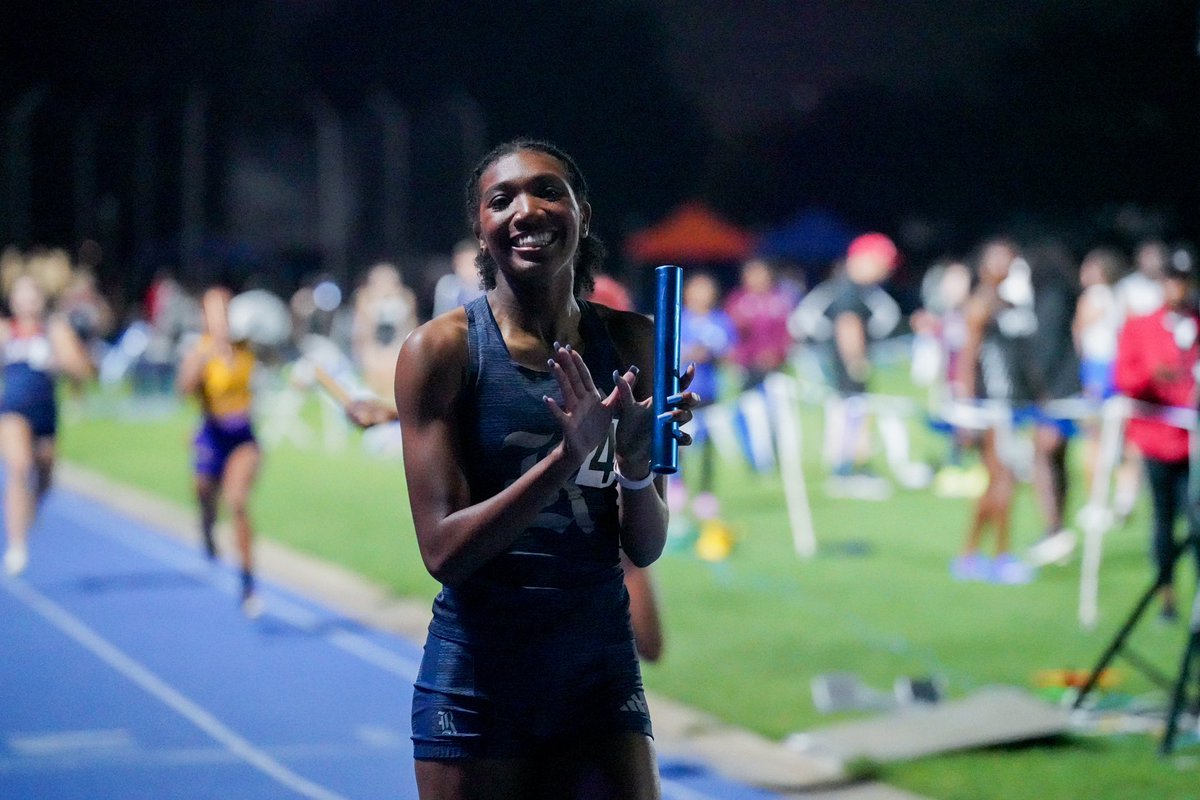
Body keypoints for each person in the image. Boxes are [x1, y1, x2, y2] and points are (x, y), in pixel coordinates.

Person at [394, 138, 698, 799]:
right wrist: (568, 458)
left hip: (598, 675)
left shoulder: (635, 343)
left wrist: (638, 464)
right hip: (478, 681)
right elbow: (443, 552)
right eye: (501, 199)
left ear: (582, 212)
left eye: (547, 191)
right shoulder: (441, 352)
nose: (526, 210)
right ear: (480, 227)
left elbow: (642, 545)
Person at [1114, 246, 1200, 622]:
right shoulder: (1141, 325)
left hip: (1193, 443)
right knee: (1164, 522)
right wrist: (1156, 376)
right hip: (1158, 441)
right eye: (1172, 280)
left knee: (1195, 522)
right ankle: (1166, 596)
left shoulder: (1195, 324)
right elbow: (1125, 380)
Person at [176, 287, 264, 617]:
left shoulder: (246, 347)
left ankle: (248, 582)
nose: (220, 321)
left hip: (242, 436)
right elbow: (183, 390)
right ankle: (207, 530)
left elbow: (273, 352)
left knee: (238, 501)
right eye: (212, 314)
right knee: (203, 494)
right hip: (210, 436)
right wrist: (203, 358)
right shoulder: (198, 350)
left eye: (224, 312)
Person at [951, 237, 1035, 584]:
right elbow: (968, 359)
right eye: (999, 261)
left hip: (1010, 404)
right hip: (989, 406)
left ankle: (969, 555)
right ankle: (1001, 556)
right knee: (1004, 479)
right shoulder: (981, 304)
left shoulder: (1010, 304)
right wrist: (965, 410)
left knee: (997, 481)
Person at [0, 271, 94, 576]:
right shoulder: (5, 331)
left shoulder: (55, 330)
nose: (28, 302)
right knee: (19, 467)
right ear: (13, 300)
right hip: (12, 411)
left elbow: (83, 370)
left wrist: (63, 361)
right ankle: (17, 544)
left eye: (34, 295)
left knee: (44, 477)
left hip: (45, 414)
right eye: (22, 295)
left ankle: (31, 509)